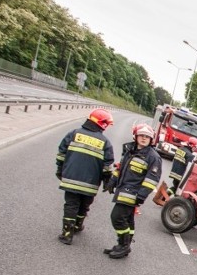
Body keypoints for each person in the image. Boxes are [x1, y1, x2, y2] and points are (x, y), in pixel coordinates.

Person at [55, 108, 115, 245]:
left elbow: (61, 154)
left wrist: (60, 169)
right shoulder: (105, 143)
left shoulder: (73, 134)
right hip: (91, 184)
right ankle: (77, 226)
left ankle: (67, 234)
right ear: (103, 124)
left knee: (71, 205)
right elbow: (107, 166)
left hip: (70, 179)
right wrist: (107, 181)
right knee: (84, 205)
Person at [103, 123, 162, 259]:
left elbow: (152, 179)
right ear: (135, 137)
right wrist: (112, 181)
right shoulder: (130, 150)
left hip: (133, 193)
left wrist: (141, 195)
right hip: (123, 190)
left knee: (117, 217)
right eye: (141, 135)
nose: (144, 138)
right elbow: (120, 168)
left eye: (147, 137)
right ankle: (123, 245)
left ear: (151, 139)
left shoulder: (153, 157)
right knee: (127, 219)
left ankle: (124, 245)